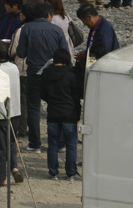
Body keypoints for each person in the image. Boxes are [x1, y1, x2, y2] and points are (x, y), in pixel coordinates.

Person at [16, 3, 70, 152]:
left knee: (33, 107)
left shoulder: (27, 28)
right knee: (55, 106)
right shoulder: (57, 30)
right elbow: (65, 53)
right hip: (54, 74)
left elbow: (21, 53)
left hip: (34, 72)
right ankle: (59, 143)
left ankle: (35, 143)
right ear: (48, 15)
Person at [0, 41, 23, 187]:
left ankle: (1, 178)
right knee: (11, 142)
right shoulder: (13, 67)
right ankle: (14, 167)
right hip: (15, 110)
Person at [42, 48, 81, 181]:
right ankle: (71, 172)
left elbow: (42, 93)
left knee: (53, 144)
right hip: (69, 113)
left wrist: (51, 100)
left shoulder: (46, 73)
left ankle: (53, 172)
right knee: (71, 144)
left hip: (53, 112)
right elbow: (76, 96)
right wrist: (78, 112)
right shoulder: (71, 74)